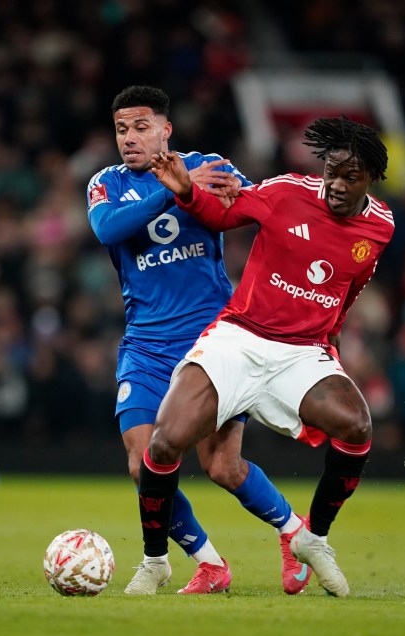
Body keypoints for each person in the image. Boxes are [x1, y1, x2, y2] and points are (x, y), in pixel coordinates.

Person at [135, 115, 393, 598]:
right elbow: (221, 216)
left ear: (371, 180)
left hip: (302, 353)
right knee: (166, 441)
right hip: (240, 337)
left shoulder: (380, 227)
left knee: (357, 425)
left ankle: (312, 537)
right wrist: (187, 192)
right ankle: (154, 561)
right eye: (330, 172)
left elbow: (350, 287)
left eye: (349, 177)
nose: (335, 185)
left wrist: (330, 337)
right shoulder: (286, 191)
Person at [86, 85, 311, 596]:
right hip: (145, 344)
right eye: (122, 129)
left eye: (141, 127)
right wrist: (170, 190)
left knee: (222, 467)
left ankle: (293, 531)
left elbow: (255, 206)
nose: (130, 138)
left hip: (213, 345)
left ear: (166, 129)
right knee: (143, 464)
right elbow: (106, 229)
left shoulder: (206, 164)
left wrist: (204, 189)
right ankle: (208, 563)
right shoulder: (106, 184)